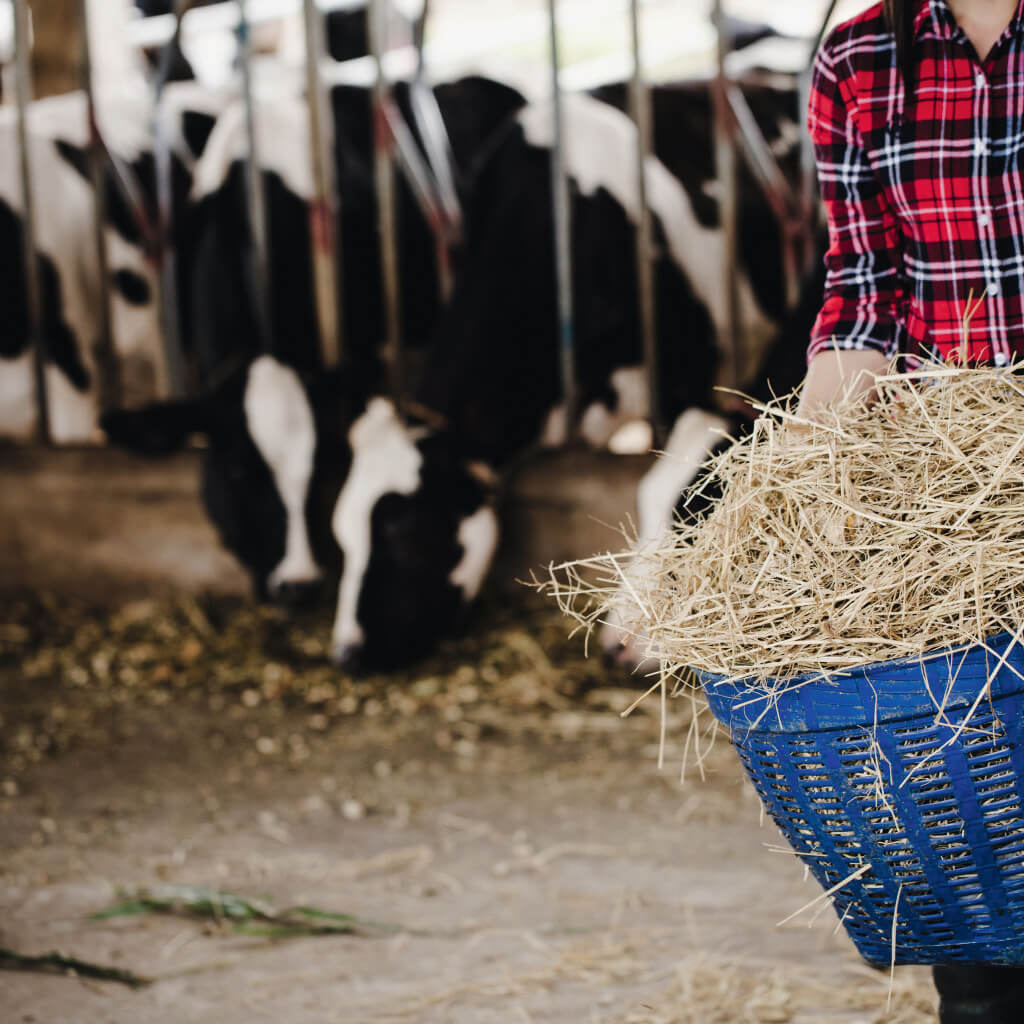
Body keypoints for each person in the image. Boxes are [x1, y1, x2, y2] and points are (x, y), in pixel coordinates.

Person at [798, 1, 1024, 1020]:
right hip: (944, 497)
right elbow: (862, 284)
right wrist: (820, 469)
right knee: (978, 823)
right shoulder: (855, 58)